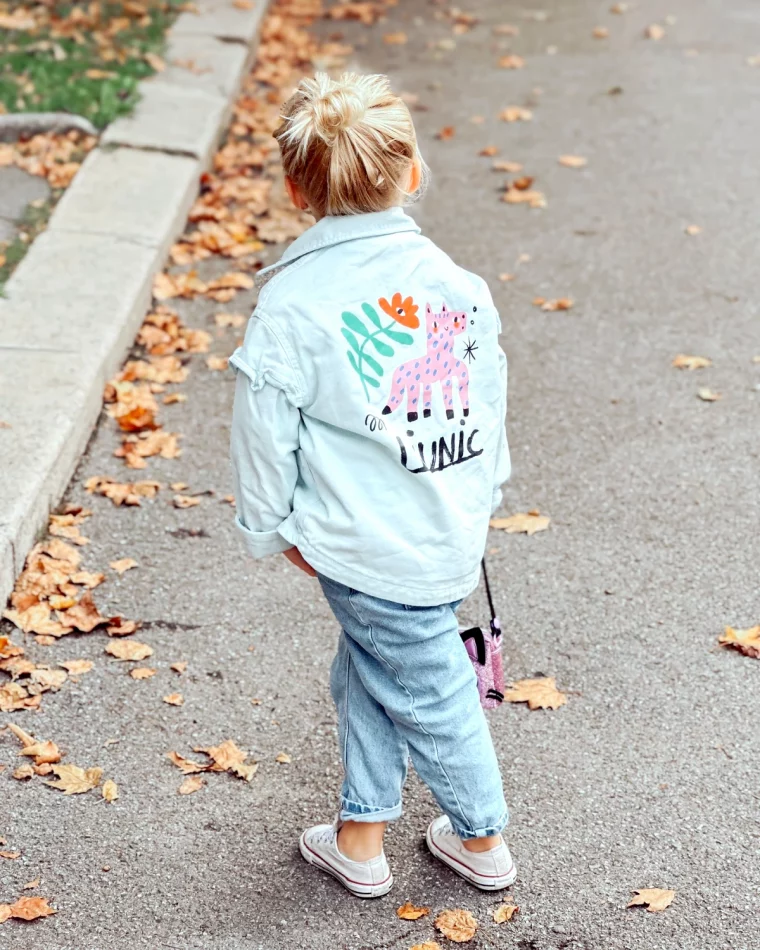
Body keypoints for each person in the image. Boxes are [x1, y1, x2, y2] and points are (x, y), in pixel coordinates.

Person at [229, 72, 514, 898]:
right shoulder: (459, 288)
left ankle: (484, 834)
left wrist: (269, 529)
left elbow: (263, 434)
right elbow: (487, 404)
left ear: (294, 190)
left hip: (362, 541)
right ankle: (359, 834)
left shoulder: (294, 304)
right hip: (442, 522)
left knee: (427, 686)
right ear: (413, 173)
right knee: (372, 665)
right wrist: (484, 490)